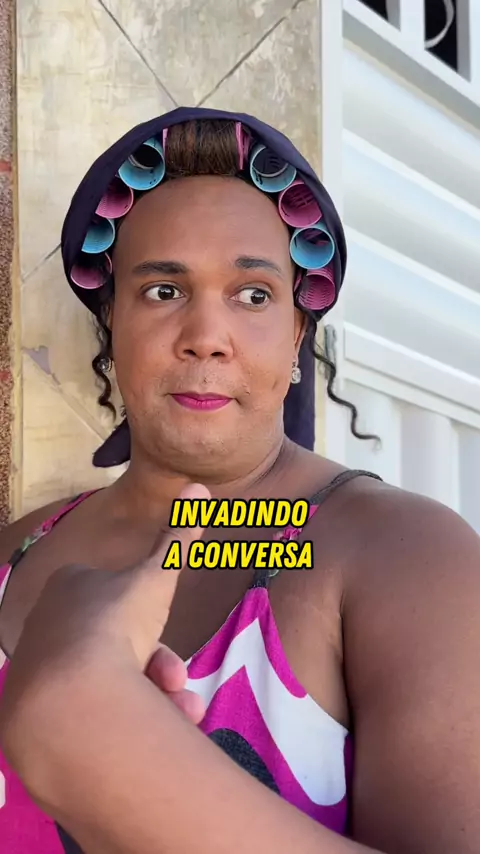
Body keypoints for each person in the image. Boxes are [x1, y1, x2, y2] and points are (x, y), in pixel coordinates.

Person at [0, 107, 479, 854]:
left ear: (297, 332)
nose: (206, 339)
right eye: (163, 291)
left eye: (253, 294)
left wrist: (113, 758)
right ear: (111, 323)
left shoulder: (407, 556)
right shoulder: (16, 551)